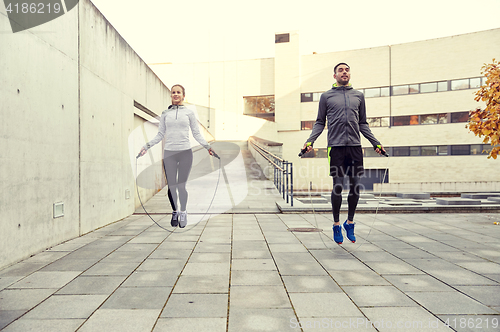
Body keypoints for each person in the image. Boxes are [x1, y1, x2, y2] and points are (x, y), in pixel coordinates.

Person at [302, 63, 386, 244]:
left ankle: (350, 222)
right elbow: (319, 122)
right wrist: (310, 141)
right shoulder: (326, 97)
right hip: (336, 147)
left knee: (355, 186)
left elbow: (363, 123)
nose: (344, 72)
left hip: (355, 147)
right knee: (338, 186)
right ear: (335, 76)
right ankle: (336, 224)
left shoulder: (359, 96)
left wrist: (376, 143)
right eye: (340, 70)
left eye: (347, 69)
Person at [138, 84, 215, 228]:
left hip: (185, 152)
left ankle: (184, 212)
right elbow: (160, 134)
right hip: (169, 154)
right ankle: (175, 211)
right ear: (171, 95)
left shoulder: (189, 114)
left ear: (183, 96)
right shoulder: (165, 114)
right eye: (173, 92)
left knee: (181, 186)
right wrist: (146, 146)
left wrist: (208, 147)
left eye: (178, 92)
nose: (175, 94)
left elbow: (196, 133)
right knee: (171, 187)